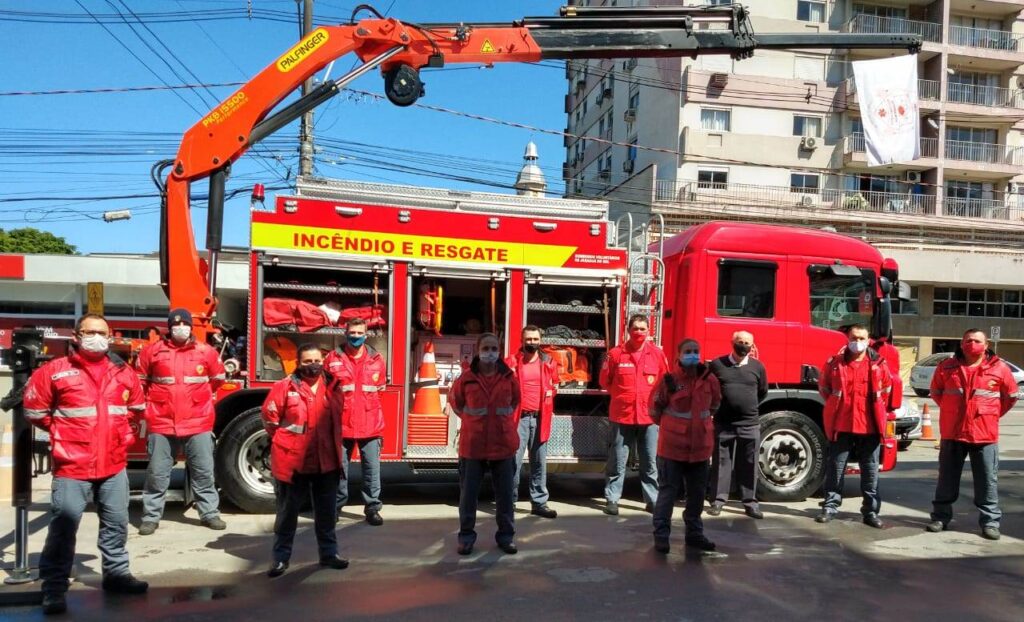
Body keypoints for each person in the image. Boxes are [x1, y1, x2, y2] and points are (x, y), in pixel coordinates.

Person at [23, 314, 149, 615]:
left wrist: (125, 436)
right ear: (76, 336)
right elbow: (34, 409)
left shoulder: (123, 371)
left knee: (116, 524)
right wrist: (63, 431)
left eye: (101, 332)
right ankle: (53, 589)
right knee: (63, 529)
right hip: (72, 466)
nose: (96, 337)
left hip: (114, 464)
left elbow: (137, 409)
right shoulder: (55, 371)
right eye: (89, 331)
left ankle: (116, 575)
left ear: (110, 336)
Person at [136, 308, 227, 535]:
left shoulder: (206, 352)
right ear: (169, 327)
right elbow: (140, 382)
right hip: (161, 422)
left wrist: (197, 400)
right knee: (157, 474)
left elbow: (217, 379)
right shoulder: (152, 352)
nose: (180, 327)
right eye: (176, 324)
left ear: (190, 326)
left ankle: (209, 514)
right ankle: (150, 517)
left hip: (198, 422)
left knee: (204, 472)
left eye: (185, 323)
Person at [262, 344, 348, 577]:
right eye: (307, 361)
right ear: (298, 364)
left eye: (317, 360)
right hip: (294, 463)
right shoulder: (284, 387)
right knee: (287, 514)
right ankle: (280, 558)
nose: (313, 365)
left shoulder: (334, 386)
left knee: (327, 513)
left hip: (326, 461)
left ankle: (329, 554)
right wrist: (287, 442)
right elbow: (270, 420)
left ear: (324, 360)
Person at [926, 329, 1018, 540]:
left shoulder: (999, 368)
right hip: (953, 433)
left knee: (987, 481)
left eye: (977, 341)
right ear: (961, 343)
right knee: (946, 480)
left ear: (986, 345)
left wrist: (990, 414)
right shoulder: (946, 367)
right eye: (968, 341)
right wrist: (952, 413)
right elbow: (936, 392)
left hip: (984, 434)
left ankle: (990, 523)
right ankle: (940, 518)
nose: (971, 344)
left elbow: (1010, 397)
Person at [449, 333, 521, 555]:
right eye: (486, 348)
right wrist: (472, 422)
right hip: (474, 445)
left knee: (505, 497)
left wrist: (503, 425)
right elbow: (456, 402)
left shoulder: (509, 378)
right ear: (478, 351)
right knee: (468, 497)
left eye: (493, 348)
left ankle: (506, 537)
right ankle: (466, 538)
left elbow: (516, 402)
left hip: (502, 444)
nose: (490, 352)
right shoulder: (466, 378)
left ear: (499, 351)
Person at [816, 324, 893, 528]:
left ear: (868, 340)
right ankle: (830, 507)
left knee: (870, 472)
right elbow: (824, 388)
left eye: (861, 338)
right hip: (841, 423)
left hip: (870, 426)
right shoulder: (834, 363)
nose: (857, 342)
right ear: (847, 339)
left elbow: (886, 390)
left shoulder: (879, 364)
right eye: (853, 337)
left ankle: (870, 512)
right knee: (835, 467)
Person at [650, 338, 721, 554]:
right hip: (672, 449)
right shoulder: (669, 381)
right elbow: (654, 409)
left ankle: (694, 535)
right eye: (688, 351)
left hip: (700, 449)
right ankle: (661, 536)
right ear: (678, 356)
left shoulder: (710, 380)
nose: (692, 355)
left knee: (697, 496)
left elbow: (715, 405)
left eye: (696, 351)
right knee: (667, 494)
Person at [600, 315, 668, 516]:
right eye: (635, 328)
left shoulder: (656, 354)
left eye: (643, 328)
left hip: (649, 417)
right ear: (628, 330)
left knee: (649, 461)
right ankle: (612, 499)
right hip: (622, 416)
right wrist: (624, 397)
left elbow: (665, 382)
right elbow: (605, 381)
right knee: (617, 460)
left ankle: (652, 499)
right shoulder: (615, 354)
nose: (639, 332)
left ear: (649, 331)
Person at [326, 317, 387, 526]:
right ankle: (334, 508)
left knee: (372, 470)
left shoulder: (377, 359)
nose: (355, 337)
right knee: (339, 470)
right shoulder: (332, 359)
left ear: (366, 334)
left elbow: (379, 391)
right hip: (341, 425)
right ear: (345, 333)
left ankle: (372, 509)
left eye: (359, 333)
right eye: (352, 333)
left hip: (370, 425)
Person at [709, 330, 768, 519]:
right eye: (740, 341)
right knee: (721, 463)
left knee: (749, 464)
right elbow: (708, 390)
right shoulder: (717, 365)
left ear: (752, 345)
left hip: (749, 424)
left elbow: (762, 392)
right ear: (732, 342)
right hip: (724, 423)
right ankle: (718, 501)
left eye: (747, 342)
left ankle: (750, 503)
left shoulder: (758, 367)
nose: (743, 345)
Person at [506, 325, 559, 519]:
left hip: (540, 418)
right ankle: (508, 502)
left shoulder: (549, 362)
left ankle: (539, 503)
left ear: (540, 340)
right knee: (514, 462)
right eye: (529, 339)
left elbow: (554, 386)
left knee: (539, 463)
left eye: (535, 339)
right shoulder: (511, 362)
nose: (532, 343)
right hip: (518, 419)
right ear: (522, 340)